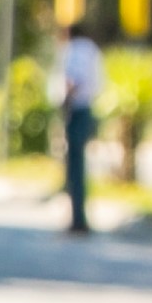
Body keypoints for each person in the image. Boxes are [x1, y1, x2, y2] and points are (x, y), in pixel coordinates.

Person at [54, 24, 109, 235]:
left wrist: (65, 101)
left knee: (74, 168)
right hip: (88, 108)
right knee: (79, 167)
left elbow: (73, 80)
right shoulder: (92, 49)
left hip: (77, 110)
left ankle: (78, 219)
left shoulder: (74, 50)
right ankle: (79, 217)